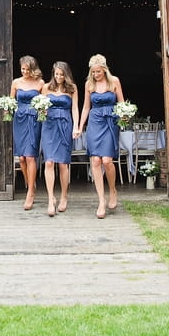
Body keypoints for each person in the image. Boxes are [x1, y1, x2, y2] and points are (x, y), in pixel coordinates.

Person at [76, 54, 125, 219]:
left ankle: (112, 190)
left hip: (111, 122)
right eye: (93, 72)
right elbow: (85, 108)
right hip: (95, 122)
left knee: (107, 160)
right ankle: (101, 201)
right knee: (95, 160)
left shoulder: (114, 81)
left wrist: (125, 115)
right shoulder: (89, 84)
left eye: (98, 71)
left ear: (104, 70)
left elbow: (122, 104)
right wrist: (80, 127)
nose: (96, 74)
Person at [41, 61, 79, 217]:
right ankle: (51, 199)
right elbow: (40, 107)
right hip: (49, 125)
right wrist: (41, 111)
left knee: (63, 164)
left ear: (66, 75)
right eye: (56, 74)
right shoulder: (46, 88)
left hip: (65, 124)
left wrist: (76, 126)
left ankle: (64, 196)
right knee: (49, 161)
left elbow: (75, 108)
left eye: (61, 74)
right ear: (53, 74)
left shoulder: (72, 88)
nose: (58, 77)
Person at [10, 55, 45, 211]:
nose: (24, 71)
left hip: (33, 119)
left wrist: (42, 112)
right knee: (22, 158)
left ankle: (30, 192)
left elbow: (43, 103)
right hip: (19, 120)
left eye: (27, 69)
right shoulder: (16, 82)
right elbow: (11, 101)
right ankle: (30, 184)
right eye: (22, 69)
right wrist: (7, 108)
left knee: (30, 156)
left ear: (33, 69)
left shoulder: (40, 83)